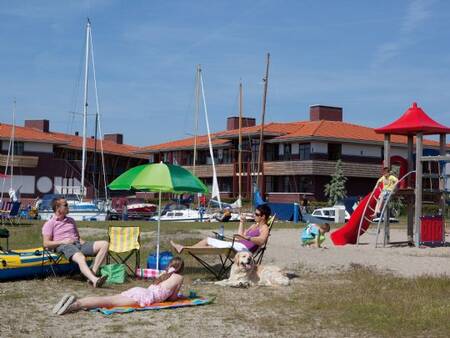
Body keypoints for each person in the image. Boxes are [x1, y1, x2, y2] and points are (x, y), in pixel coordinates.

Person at [53, 257, 185, 315]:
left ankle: (77, 301)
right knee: (108, 301)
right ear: (181, 268)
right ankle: (75, 305)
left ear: (170, 265)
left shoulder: (164, 274)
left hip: (140, 290)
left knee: (109, 298)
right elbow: (173, 298)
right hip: (145, 297)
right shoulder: (179, 277)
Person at [42, 198, 109, 288]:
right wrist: (63, 241)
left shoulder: (71, 220)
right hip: (64, 246)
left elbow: (77, 237)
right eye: (65, 205)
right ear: (58, 208)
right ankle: (95, 280)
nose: (68, 207)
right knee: (81, 257)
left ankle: (91, 273)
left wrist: (85, 244)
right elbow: (46, 243)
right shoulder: (50, 223)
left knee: (104, 244)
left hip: (78, 244)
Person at [171, 204, 272, 253]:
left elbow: (262, 241)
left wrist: (248, 238)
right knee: (212, 244)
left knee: (208, 240)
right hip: (237, 245)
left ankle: (184, 248)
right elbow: (240, 237)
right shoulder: (254, 225)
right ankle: (186, 248)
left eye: (257, 214)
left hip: (243, 250)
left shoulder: (264, 228)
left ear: (263, 216)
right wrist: (241, 222)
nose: (255, 215)